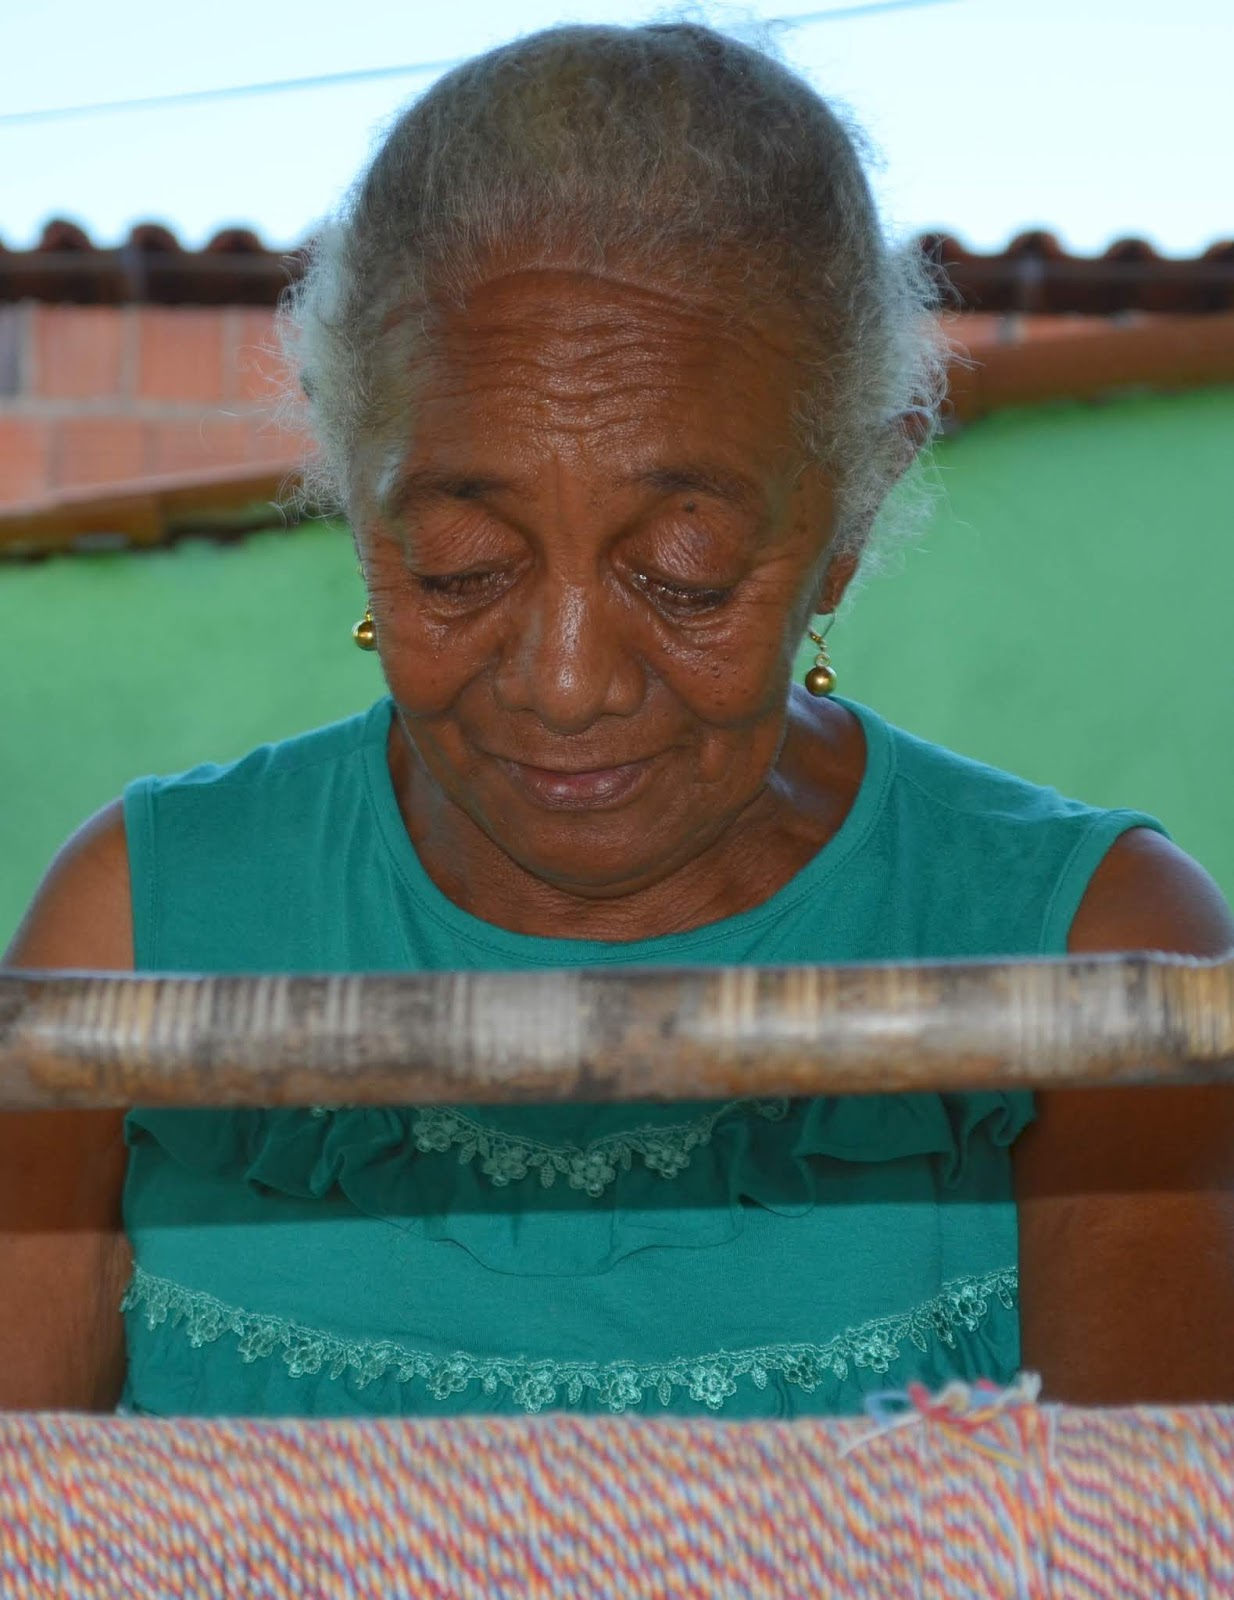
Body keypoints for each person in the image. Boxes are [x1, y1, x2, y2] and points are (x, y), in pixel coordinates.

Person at [4, 22, 1233, 1420]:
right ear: (354, 494)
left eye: (683, 572)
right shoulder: (138, 934)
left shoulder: (1103, 961)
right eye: (461, 567)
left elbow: (1152, 1525)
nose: (567, 679)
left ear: (848, 516)